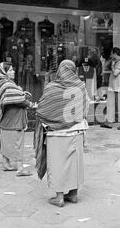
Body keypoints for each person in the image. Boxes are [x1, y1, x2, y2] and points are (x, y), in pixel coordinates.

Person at [34, 59, 89, 208]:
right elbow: (86, 107)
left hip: (57, 133)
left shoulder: (52, 87)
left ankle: (59, 197)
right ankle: (73, 194)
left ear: (60, 70)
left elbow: (42, 109)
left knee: (58, 163)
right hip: (77, 131)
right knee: (74, 163)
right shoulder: (81, 86)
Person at [0, 62, 34, 177]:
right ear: (4, 73)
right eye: (10, 70)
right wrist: (30, 104)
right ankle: (20, 168)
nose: (13, 72)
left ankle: (6, 164)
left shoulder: (0, 84)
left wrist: (21, 93)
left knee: (5, 141)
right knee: (18, 143)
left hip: (6, 119)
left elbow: (12, 96)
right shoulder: (7, 85)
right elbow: (19, 100)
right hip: (15, 119)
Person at [100, 47, 120, 130]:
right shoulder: (116, 62)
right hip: (112, 87)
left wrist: (112, 66)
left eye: (112, 54)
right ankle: (109, 122)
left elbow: (115, 73)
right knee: (110, 105)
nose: (111, 55)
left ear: (115, 54)